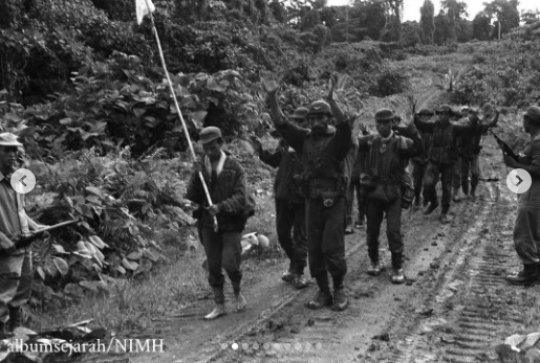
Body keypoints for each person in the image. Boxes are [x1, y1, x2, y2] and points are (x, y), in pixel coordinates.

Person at [263, 75, 353, 311]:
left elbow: (345, 125)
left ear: (328, 118)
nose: (316, 122)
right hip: (311, 200)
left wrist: (332, 101)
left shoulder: (338, 140)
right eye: (312, 118)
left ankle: (340, 289)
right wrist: (272, 98)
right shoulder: (304, 140)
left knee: (332, 248)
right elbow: (282, 123)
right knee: (314, 249)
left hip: (334, 201)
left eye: (321, 117)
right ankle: (323, 291)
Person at [186, 126, 251, 320]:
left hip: (231, 222)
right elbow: (192, 195)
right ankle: (219, 304)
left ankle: (238, 291)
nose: (209, 152)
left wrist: (222, 207)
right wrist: (196, 178)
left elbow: (242, 197)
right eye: (205, 148)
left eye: (212, 147)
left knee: (230, 262)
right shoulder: (200, 166)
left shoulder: (234, 167)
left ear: (220, 143)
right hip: (207, 222)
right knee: (213, 264)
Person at [358, 109, 422, 283]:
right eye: (379, 123)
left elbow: (419, 150)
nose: (382, 126)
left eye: (386, 123)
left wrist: (412, 130)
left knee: (393, 231)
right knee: (371, 231)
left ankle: (397, 266)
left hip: (394, 192)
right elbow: (350, 144)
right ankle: (374, 261)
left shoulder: (402, 142)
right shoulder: (371, 141)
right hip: (373, 192)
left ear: (392, 123)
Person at [251, 107, 309, 290]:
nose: (298, 124)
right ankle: (294, 263)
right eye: (296, 121)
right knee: (283, 235)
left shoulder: (309, 142)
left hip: (302, 196)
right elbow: (275, 161)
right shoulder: (285, 141)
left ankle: (299, 272)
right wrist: (260, 150)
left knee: (300, 236)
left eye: (302, 121)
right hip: (283, 194)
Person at [0, 133, 48, 334]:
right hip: (7, 246)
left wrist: (35, 227)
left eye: (15, 149)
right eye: (7, 149)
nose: (13, 154)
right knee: (4, 293)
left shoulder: (17, 178)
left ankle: (15, 332)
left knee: (21, 291)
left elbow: (20, 210)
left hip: (24, 243)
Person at [414, 105, 474, 224]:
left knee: (447, 189)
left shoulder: (455, 128)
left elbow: (469, 130)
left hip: (448, 162)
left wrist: (475, 119)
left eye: (445, 114)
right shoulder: (433, 126)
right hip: (434, 160)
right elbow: (420, 124)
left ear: (449, 116)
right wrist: (413, 113)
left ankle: (443, 213)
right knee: (427, 184)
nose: (442, 116)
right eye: (440, 114)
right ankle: (434, 202)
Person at [504, 106, 540, 284]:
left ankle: (529, 272)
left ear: (530, 121)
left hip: (533, 194)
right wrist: (516, 157)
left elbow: (538, 169)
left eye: (525, 119)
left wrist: (514, 164)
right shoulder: (534, 140)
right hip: (531, 192)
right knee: (535, 231)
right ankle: (536, 271)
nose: (522, 122)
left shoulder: (538, 141)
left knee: (524, 232)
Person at [453, 108, 500, 201]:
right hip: (463, 153)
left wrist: (497, 114)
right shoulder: (463, 124)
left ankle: (472, 192)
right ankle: (465, 193)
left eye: (476, 115)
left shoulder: (479, 126)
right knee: (464, 175)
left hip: (473, 153)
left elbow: (492, 124)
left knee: (475, 173)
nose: (475, 117)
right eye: (473, 114)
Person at [346, 122, 370, 230]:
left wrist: (365, 132)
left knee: (359, 198)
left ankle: (358, 220)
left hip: (356, 174)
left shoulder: (360, 141)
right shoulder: (349, 141)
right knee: (349, 199)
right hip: (352, 174)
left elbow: (369, 145)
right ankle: (350, 222)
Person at [411, 108, 434, 207]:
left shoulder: (433, 129)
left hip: (429, 160)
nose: (425, 118)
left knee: (428, 182)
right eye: (423, 116)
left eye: (427, 116)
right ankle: (417, 198)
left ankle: (426, 199)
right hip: (417, 160)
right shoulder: (414, 130)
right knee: (416, 183)